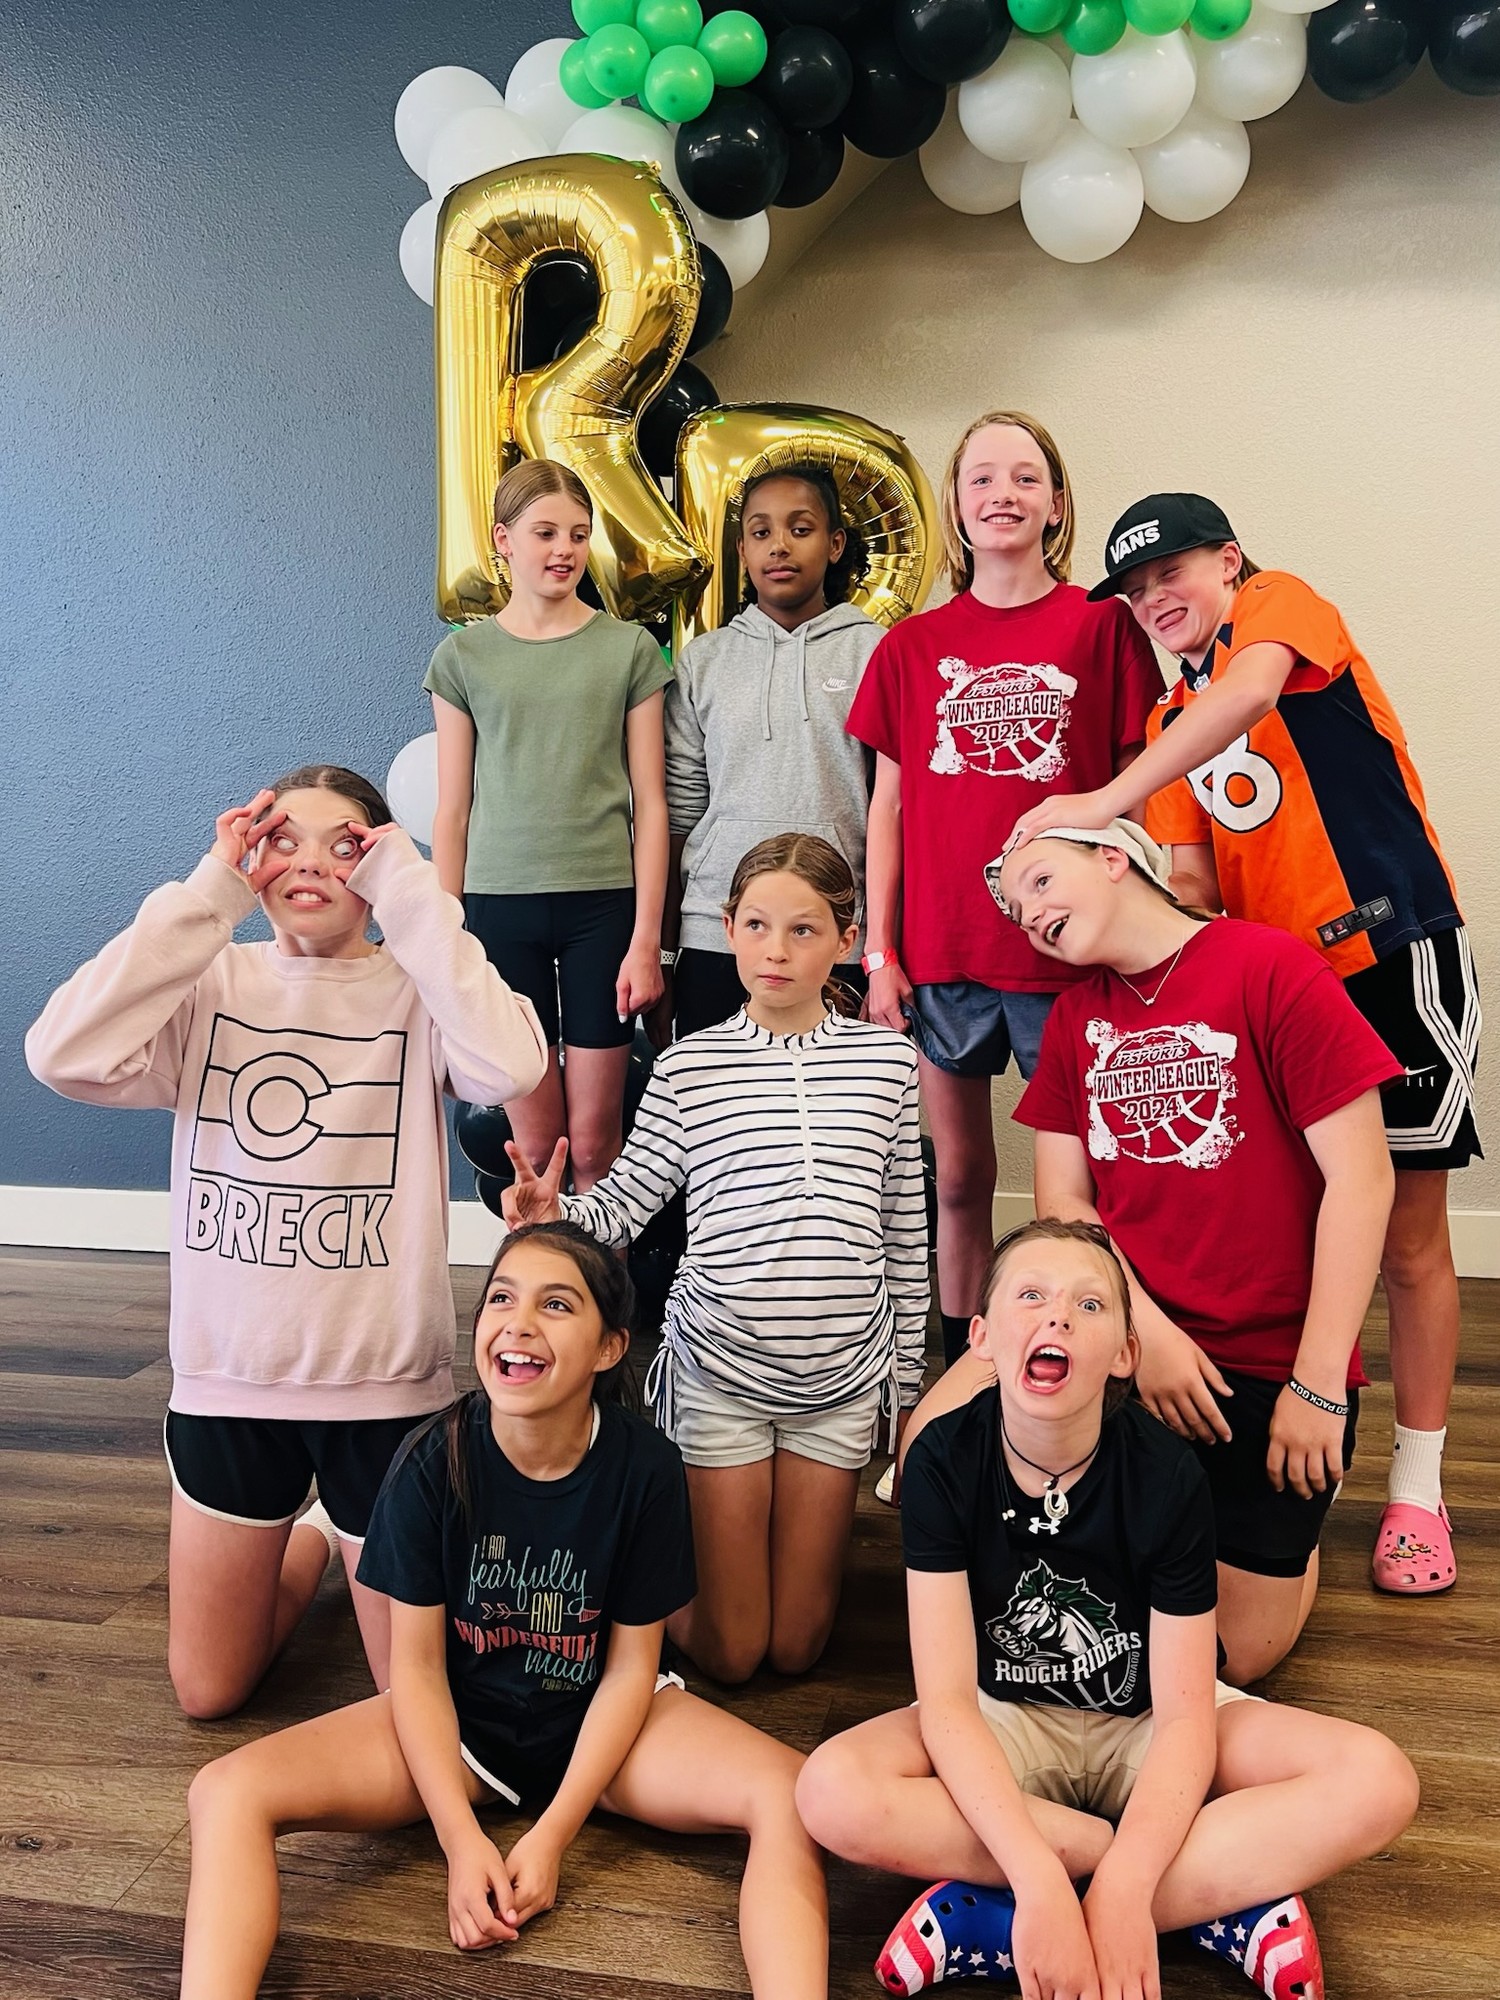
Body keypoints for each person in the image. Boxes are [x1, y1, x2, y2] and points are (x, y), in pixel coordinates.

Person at [1012, 494, 1480, 1596]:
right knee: (1295, 1213)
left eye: (1170, 572)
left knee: (1408, 1235)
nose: (1153, 600)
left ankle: (1418, 1486)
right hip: (1276, 998)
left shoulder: (1280, 607)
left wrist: (1104, 798)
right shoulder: (1167, 724)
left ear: (1228, 561)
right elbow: (1189, 889)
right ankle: (1296, 1412)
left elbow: (1251, 694)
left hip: (1387, 951)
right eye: (1134, 593)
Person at [178, 1222, 827, 2000]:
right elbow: (416, 1671)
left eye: (556, 1304)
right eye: (501, 1299)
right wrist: (460, 1841)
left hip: (605, 1725)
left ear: (610, 1347)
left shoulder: (645, 1465)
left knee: (796, 1792)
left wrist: (553, 1837)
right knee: (225, 1791)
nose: (518, 1322)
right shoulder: (431, 1460)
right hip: (462, 1730)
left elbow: (631, 1669)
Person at [25, 766, 548, 1718]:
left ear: (382, 868)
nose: (309, 862)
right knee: (208, 1693)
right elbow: (61, 1053)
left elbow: (510, 1065)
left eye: (345, 846)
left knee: (413, 1700)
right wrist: (208, 894)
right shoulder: (209, 982)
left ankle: (328, 1533)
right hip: (229, 1386)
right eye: (281, 840)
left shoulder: (417, 990)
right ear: (249, 861)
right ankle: (312, 1540)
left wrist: (414, 899)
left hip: (385, 1395)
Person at [796, 1218, 1419, 2000]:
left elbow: (1187, 1720)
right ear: (981, 1336)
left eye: (1088, 1304)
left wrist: (1126, 1886)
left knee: (1378, 1779)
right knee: (830, 1791)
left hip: (1149, 1721)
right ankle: (1203, 1901)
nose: (1057, 1316)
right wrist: (1041, 1868)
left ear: (1126, 1353)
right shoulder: (941, 1462)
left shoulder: (1167, 1475)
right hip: (1003, 1718)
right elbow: (947, 1701)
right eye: (1031, 1295)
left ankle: (1005, 1921)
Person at [502, 834, 928, 1684]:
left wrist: (906, 1387)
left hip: (840, 1382)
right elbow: (625, 1204)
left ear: (846, 940)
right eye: (758, 925)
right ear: (727, 928)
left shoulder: (888, 1064)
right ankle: (631, 1577)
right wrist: (559, 1214)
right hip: (720, 1375)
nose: (777, 951)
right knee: (734, 1655)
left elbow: (904, 1233)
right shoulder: (689, 1068)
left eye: (804, 930)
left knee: (797, 1647)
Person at [980, 822, 1400, 1684]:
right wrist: (1148, 1336)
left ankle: (1287, 1551)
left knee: (1230, 1661)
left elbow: (1362, 1181)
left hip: (1267, 1364)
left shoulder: (1271, 967)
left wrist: (1318, 1386)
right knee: (938, 1450)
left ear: (1113, 858)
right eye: (1017, 912)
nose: (1031, 915)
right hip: (1126, 1341)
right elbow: (1065, 1206)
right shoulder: (1076, 1018)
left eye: (1041, 881)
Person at [847, 411, 1162, 1370]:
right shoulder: (910, 647)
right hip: (943, 954)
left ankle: (1107, 1363)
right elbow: (888, 811)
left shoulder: (1103, 626)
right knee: (957, 1178)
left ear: (1057, 504)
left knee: (1097, 1182)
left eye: (1025, 478)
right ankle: (967, 1370)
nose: (1003, 496)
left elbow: (1138, 786)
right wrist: (880, 951)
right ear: (954, 505)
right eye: (981, 479)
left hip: (1070, 957)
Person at [426, 458, 672, 1194]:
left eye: (578, 534)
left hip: (603, 911)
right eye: (545, 533)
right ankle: (540, 1269)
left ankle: (601, 1272)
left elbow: (651, 804)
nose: (564, 549)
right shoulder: (463, 657)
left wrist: (646, 941)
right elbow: (453, 809)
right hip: (498, 911)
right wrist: (446, 943)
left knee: (596, 1147)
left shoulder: (628, 650)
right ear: (504, 540)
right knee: (535, 1147)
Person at [659, 462, 880, 1041]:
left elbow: (894, 811)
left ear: (835, 544)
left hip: (836, 931)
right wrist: (663, 951)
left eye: (800, 529)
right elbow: (680, 812)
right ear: (743, 549)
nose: (779, 545)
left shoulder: (875, 653)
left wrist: (882, 947)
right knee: (718, 1094)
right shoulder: (704, 661)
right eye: (761, 532)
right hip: (716, 931)